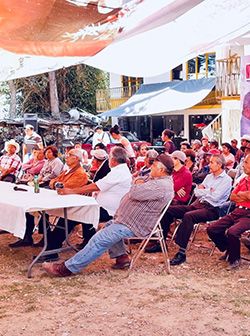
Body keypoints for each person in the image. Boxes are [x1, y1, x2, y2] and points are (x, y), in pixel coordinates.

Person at [42, 154, 175, 277]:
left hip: (135, 225)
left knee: (99, 239)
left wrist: (137, 183)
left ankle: (66, 268)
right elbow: (138, 179)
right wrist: (138, 182)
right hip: (127, 220)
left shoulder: (161, 186)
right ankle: (121, 257)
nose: (151, 167)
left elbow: (133, 191)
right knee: (107, 228)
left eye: (154, 165)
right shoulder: (156, 179)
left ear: (162, 170)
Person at [146, 154, 232, 262]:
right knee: (167, 210)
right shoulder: (209, 177)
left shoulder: (226, 180)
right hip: (197, 204)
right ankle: (161, 243)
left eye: (211, 162)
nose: (209, 165)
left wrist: (204, 191)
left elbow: (216, 198)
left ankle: (181, 252)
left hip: (212, 209)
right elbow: (196, 192)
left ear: (219, 165)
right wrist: (209, 191)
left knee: (188, 216)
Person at [9, 149, 90, 250]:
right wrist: (56, 184)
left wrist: (56, 184)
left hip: (65, 202)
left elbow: (63, 187)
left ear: (77, 159)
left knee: (38, 208)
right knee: (28, 207)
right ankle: (28, 237)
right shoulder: (67, 170)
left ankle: (45, 239)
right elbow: (54, 182)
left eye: (69, 155)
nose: (66, 157)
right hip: (57, 197)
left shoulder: (80, 173)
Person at [207, 154, 250, 270]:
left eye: (246, 162)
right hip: (238, 210)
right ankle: (229, 249)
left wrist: (243, 195)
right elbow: (232, 197)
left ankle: (235, 259)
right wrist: (244, 195)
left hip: (248, 215)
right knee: (212, 228)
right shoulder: (244, 179)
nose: (243, 165)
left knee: (232, 231)